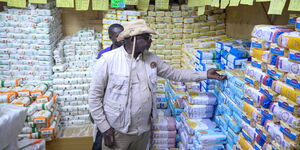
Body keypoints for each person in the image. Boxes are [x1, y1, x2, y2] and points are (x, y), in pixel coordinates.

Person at [88, 19, 227, 150]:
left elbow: (175, 74)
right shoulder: (108, 60)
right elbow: (94, 97)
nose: (150, 41)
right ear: (132, 38)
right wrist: (104, 128)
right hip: (117, 131)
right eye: (146, 37)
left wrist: (204, 74)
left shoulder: (151, 59)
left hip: (143, 131)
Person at [92, 23, 124, 150]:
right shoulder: (103, 55)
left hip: (120, 99)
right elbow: (97, 84)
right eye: (117, 35)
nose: (121, 38)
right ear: (110, 37)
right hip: (106, 100)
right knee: (104, 133)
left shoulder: (128, 53)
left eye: (123, 34)